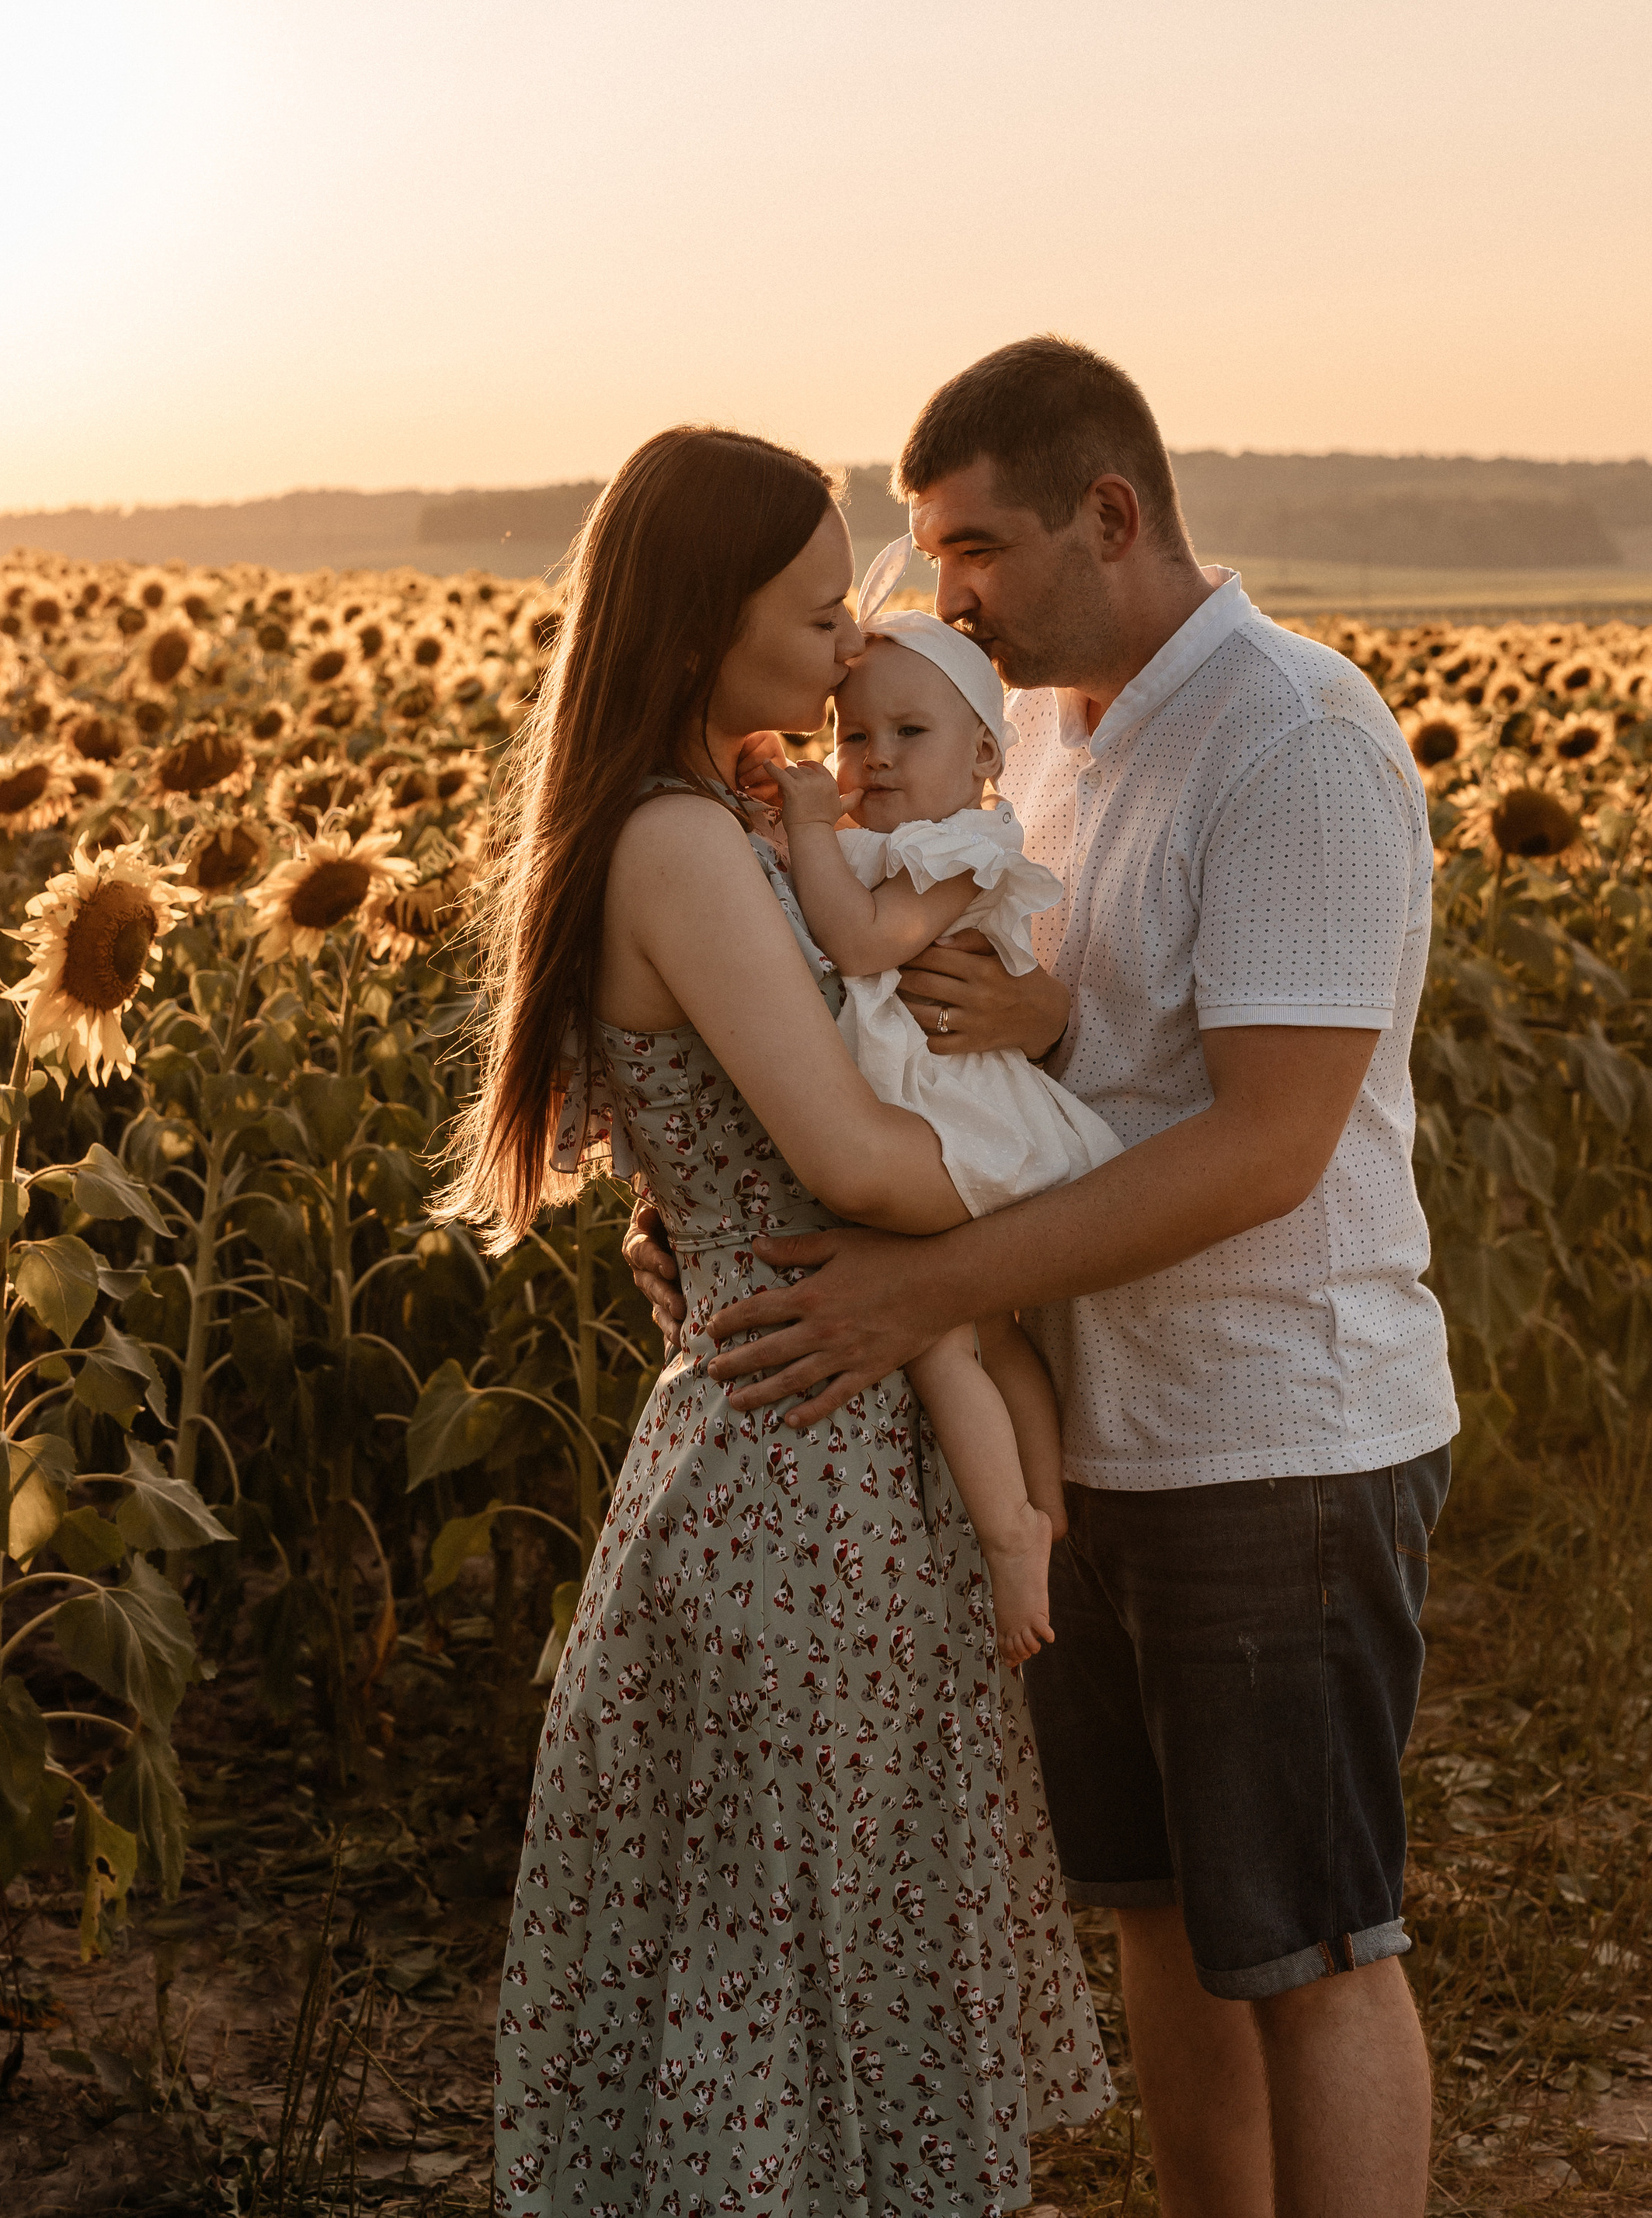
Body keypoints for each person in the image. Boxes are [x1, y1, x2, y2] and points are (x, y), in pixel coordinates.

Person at [628, 341, 1459, 2218]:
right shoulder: (1046, 744)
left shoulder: (1291, 741)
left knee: (1313, 1947)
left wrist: (929, 1291)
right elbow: (1060, 1066)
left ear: (1111, 513)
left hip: (1275, 1430)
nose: (941, 600)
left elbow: (1264, 1142)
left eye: (973, 547)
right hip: (1102, 1430)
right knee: (1159, 1922)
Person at [447, 423, 1110, 2217]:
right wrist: (1081, 1182)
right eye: (819, 613)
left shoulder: (721, 821)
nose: (848, 649)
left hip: (818, 1441)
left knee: (812, 1963)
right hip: (796, 1474)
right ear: (691, 626)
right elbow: (848, 1159)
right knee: (781, 1977)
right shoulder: (678, 844)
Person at [760, 599, 1121, 1667]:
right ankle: (1050, 1512)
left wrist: (810, 834)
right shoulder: (885, 841)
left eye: (907, 735)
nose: (872, 760)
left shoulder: (967, 846)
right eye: (850, 735)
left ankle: (1011, 1534)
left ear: (983, 753)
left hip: (954, 1117)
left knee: (939, 1333)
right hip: (924, 1103)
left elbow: (866, 946)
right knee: (996, 1335)